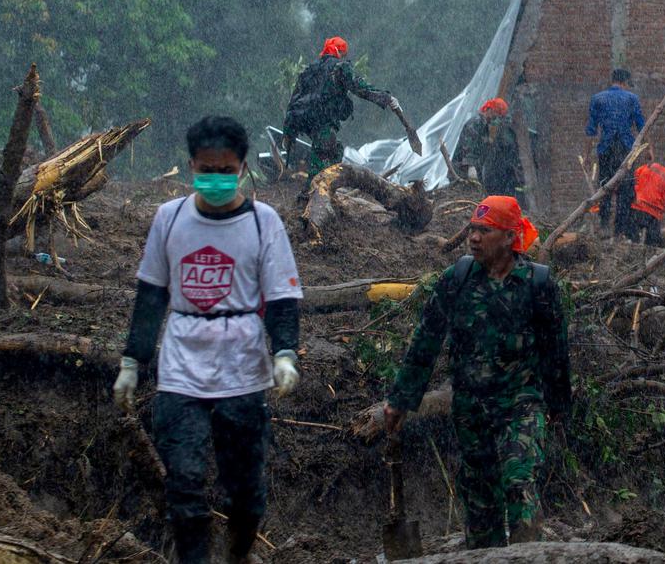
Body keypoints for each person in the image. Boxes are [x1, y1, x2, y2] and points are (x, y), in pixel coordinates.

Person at [112, 117, 303, 564]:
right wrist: (132, 362)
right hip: (182, 364)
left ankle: (238, 554)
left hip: (242, 366)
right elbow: (151, 294)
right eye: (207, 169)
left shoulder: (263, 223)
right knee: (184, 481)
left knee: (246, 492)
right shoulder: (170, 218)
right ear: (191, 166)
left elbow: (282, 297)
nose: (216, 178)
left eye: (226, 170)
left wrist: (285, 353)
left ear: (242, 169)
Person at [383, 196, 571, 549]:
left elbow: (555, 352)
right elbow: (426, 340)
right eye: (472, 229)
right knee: (481, 499)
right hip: (471, 410)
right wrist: (401, 400)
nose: (473, 238)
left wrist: (559, 407)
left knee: (519, 482)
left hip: (520, 405)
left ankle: (527, 555)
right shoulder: (457, 279)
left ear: (509, 237)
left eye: (485, 231)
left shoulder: (537, 284)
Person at [282, 36, 404, 190]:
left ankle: (322, 190)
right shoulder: (339, 68)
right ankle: (312, 193)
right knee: (326, 154)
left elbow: (294, 100)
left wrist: (288, 132)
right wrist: (386, 98)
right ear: (337, 51)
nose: (343, 57)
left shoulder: (310, 70)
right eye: (343, 53)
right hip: (322, 121)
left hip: (305, 121)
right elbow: (360, 88)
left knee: (330, 151)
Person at [585, 69, 645, 239]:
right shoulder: (632, 98)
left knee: (605, 185)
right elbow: (641, 126)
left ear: (612, 80)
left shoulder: (598, 98)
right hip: (625, 150)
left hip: (606, 149)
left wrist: (587, 155)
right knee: (626, 189)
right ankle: (620, 230)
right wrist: (649, 149)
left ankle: (604, 224)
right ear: (625, 82)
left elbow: (591, 130)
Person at [454, 98, 524, 197]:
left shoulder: (485, 127)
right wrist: (470, 167)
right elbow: (468, 147)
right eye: (497, 115)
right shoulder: (475, 123)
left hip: (472, 172)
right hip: (461, 171)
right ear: (490, 110)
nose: (497, 119)